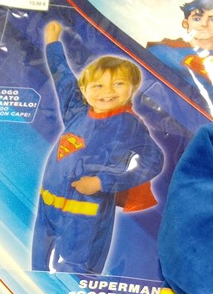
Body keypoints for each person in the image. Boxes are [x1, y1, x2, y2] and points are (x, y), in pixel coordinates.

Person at [32, 21, 164, 275]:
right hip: (48, 205)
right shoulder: (77, 111)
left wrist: (102, 182)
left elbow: (153, 161)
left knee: (76, 273)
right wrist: (52, 43)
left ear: (132, 88)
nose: (107, 91)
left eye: (118, 84)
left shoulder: (129, 124)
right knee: (38, 267)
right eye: (98, 85)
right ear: (84, 90)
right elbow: (63, 77)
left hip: (86, 214)